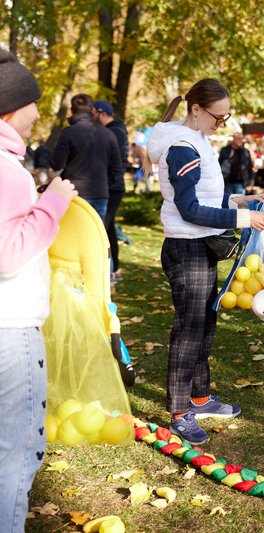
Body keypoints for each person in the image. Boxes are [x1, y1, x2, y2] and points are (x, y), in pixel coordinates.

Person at [146, 79, 264, 445]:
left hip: (202, 246)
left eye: (226, 117)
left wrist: (241, 200)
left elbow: (208, 197)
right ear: (197, 109)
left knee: (205, 324)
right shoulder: (182, 147)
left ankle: (199, 398)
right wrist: (242, 220)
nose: (222, 123)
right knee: (189, 330)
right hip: (186, 250)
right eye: (218, 116)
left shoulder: (199, 140)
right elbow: (189, 209)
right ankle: (179, 411)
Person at [0, 50, 78, 533]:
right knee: (14, 454)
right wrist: (52, 202)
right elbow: (8, 252)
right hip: (10, 331)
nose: (38, 115)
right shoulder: (7, 171)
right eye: (34, 103)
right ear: (10, 107)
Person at [50, 94, 123, 221]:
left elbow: (57, 164)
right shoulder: (108, 134)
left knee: (74, 235)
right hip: (100, 193)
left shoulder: (68, 133)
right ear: (92, 110)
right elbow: (116, 167)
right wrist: (104, 183)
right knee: (95, 236)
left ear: (71, 110)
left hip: (75, 193)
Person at [92, 100, 129, 279]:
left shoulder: (114, 132)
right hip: (111, 185)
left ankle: (107, 272)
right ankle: (114, 270)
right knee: (109, 229)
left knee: (101, 230)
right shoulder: (116, 130)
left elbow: (112, 162)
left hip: (112, 188)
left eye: (93, 114)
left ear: (101, 113)